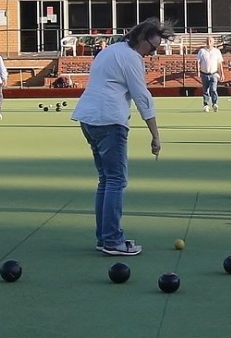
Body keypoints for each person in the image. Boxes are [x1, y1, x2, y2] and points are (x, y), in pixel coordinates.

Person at [71, 18, 174, 257]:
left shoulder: (111, 51)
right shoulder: (131, 58)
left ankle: (104, 237)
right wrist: (156, 135)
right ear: (141, 38)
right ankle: (112, 240)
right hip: (109, 121)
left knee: (106, 180)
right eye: (152, 47)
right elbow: (142, 97)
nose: (152, 54)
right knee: (116, 180)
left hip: (89, 118)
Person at [196, 36, 225, 112]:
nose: (208, 43)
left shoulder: (217, 51)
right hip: (204, 74)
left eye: (210, 41)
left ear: (213, 42)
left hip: (214, 74)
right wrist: (198, 71)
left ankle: (215, 103)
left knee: (213, 89)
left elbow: (219, 64)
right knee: (205, 90)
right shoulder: (202, 51)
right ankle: (206, 105)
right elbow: (198, 62)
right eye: (207, 41)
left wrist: (222, 74)